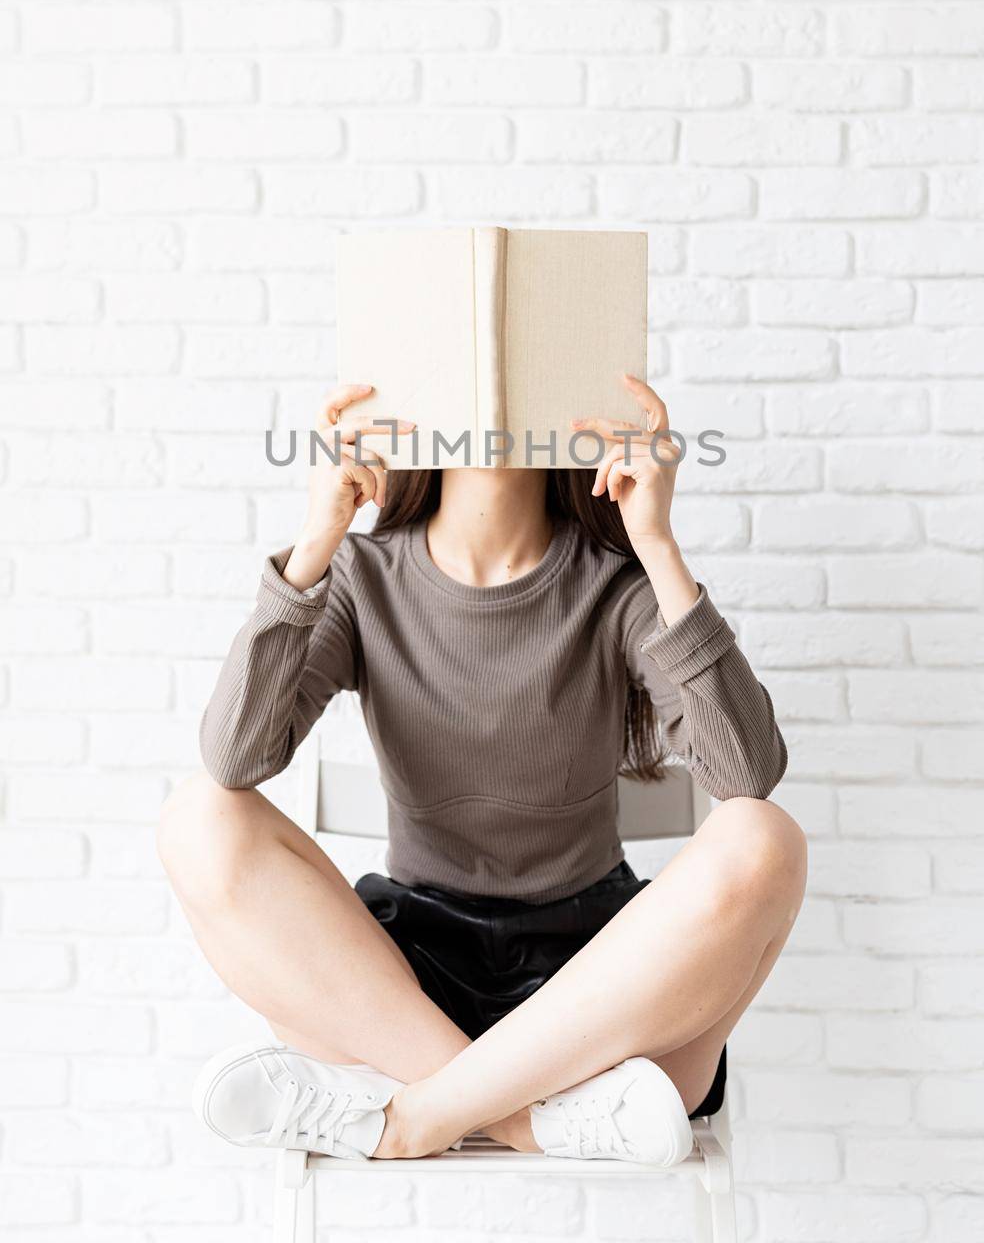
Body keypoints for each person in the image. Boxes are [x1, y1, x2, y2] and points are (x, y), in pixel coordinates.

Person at [158, 374, 806, 1166]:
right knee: (200, 815)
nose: (494, 399)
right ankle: (523, 1123)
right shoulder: (365, 578)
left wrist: (659, 548)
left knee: (764, 835)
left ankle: (413, 1118)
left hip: (596, 990)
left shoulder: (616, 584)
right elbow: (235, 756)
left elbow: (747, 773)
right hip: (403, 986)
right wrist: (316, 541)